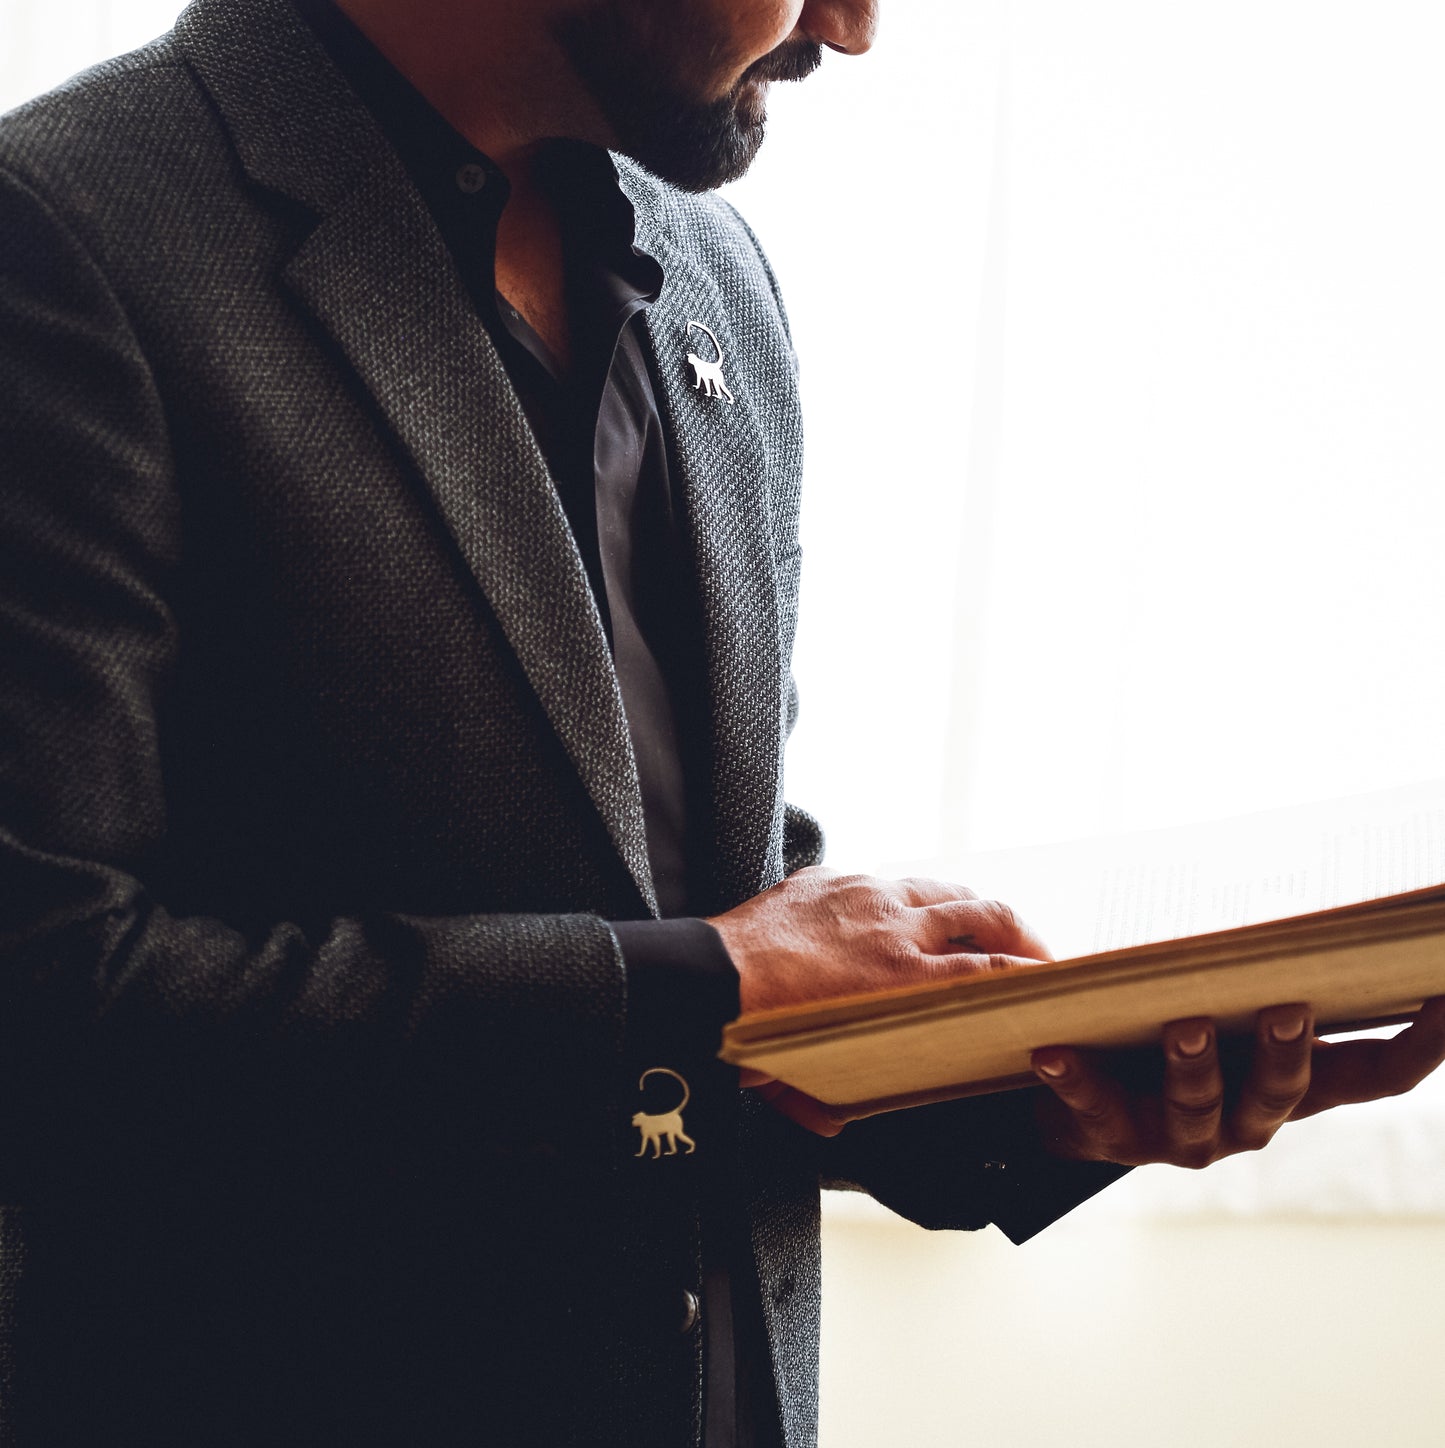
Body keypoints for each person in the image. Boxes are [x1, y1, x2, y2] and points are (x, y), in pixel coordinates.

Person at [2, 0, 1442, 1443]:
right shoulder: (64, 235)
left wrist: (1042, 1088)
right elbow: (45, 998)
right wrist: (703, 992)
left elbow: (702, 899)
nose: (855, 27)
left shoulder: (708, 272)